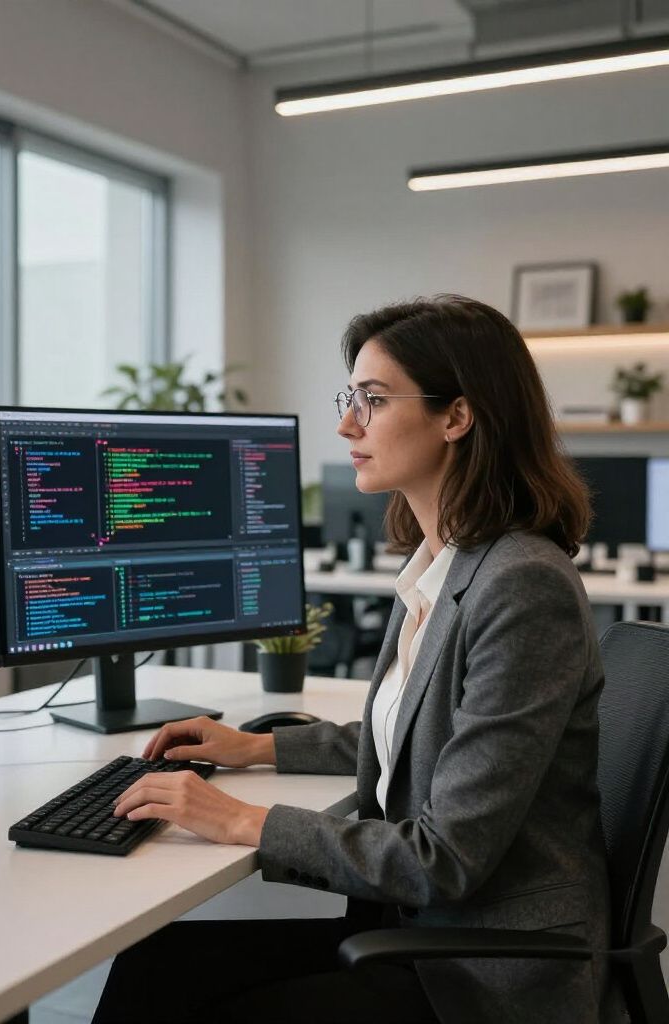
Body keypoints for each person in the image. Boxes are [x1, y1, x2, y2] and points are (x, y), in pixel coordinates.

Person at [93, 295, 622, 1024]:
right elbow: (418, 733)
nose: (347, 424)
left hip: (481, 970)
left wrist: (241, 820)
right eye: (351, 399)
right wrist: (255, 747)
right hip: (416, 932)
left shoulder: (522, 584)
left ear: (457, 416)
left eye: (373, 399)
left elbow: (445, 858)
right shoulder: (441, 563)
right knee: (153, 966)